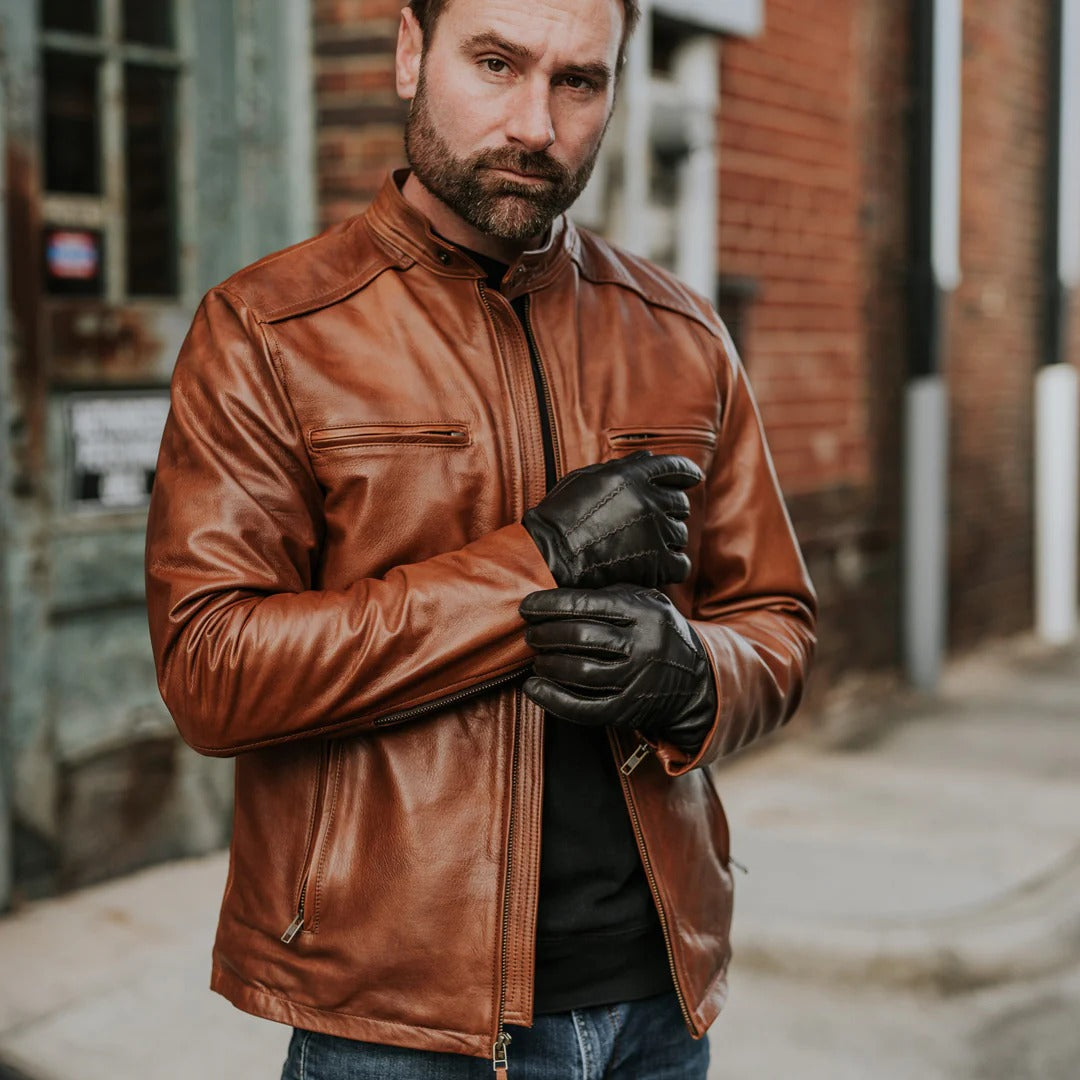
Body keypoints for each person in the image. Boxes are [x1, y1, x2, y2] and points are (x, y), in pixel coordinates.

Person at [144, 0, 817, 1075]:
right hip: (401, 1019)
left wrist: (700, 676)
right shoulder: (269, 330)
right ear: (412, 53)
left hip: (659, 1001)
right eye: (496, 63)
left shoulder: (682, 336)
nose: (536, 125)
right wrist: (539, 564)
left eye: (578, 81)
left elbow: (778, 621)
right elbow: (211, 670)